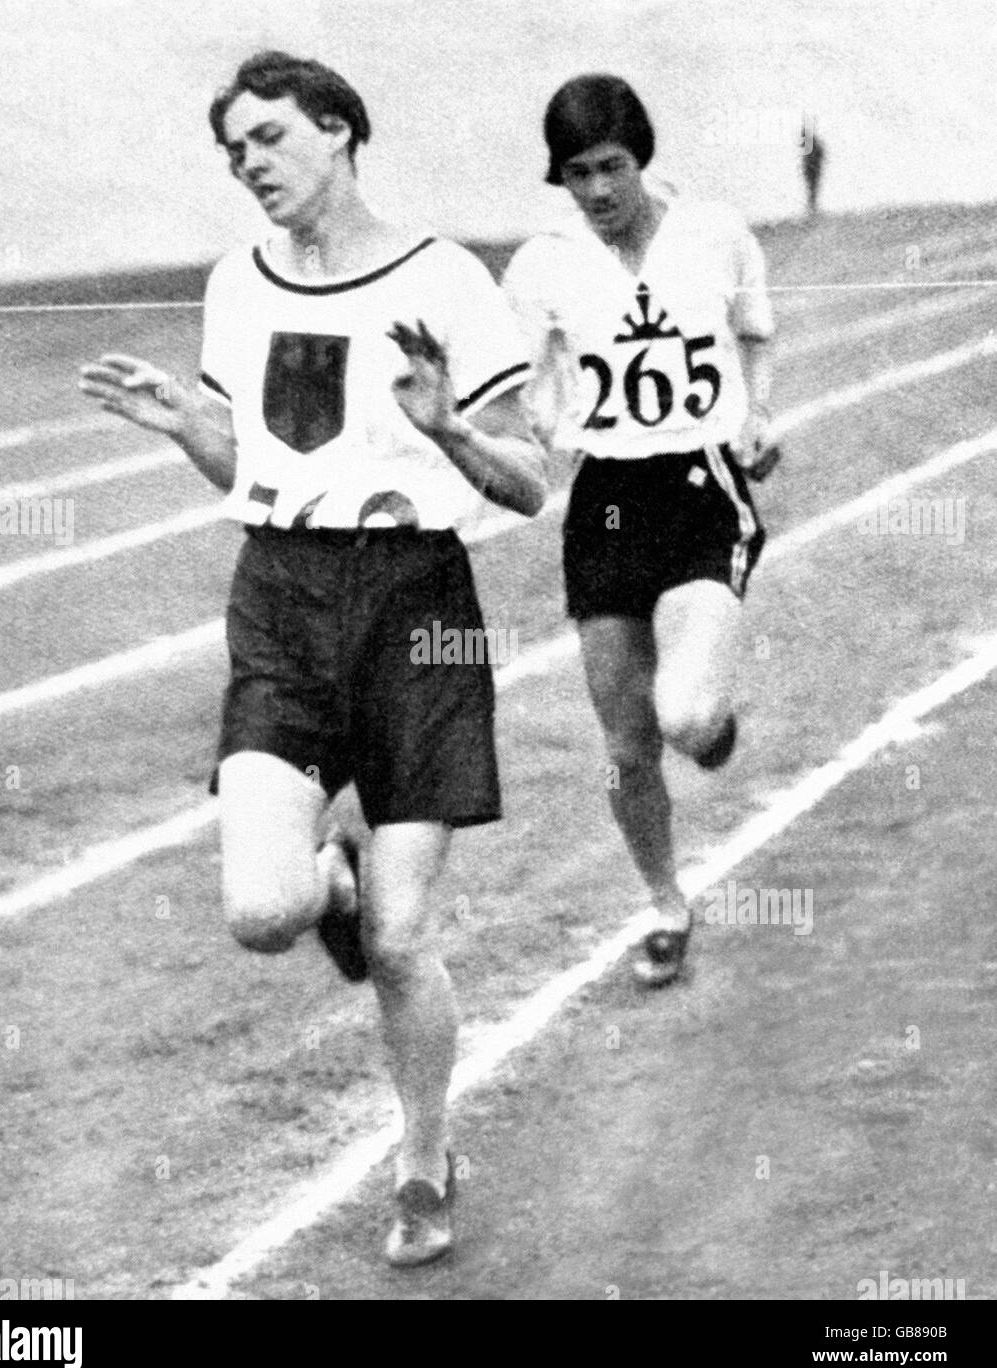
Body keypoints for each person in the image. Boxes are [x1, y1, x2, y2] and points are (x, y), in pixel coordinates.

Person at [79, 51, 546, 1267]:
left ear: (339, 131)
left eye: (271, 138)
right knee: (261, 910)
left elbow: (530, 479)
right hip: (280, 599)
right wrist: (184, 421)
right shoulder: (237, 283)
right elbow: (247, 463)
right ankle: (326, 876)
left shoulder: (445, 277)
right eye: (236, 152)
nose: (253, 167)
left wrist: (446, 425)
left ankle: (423, 1162)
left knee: (400, 944)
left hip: (415, 611)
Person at [502, 74, 778, 987]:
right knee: (625, 750)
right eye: (577, 173)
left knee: (687, 716)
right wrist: (531, 414)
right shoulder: (543, 264)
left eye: (612, 166)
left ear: (642, 157)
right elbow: (519, 383)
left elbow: (753, 329)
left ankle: (712, 728)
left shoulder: (714, 232)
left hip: (701, 486)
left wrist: (760, 414)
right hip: (608, 504)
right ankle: (666, 902)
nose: (598, 191)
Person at [803, 131, 825, 218]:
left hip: (812, 171)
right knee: (812, 190)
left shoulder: (812, 146)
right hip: (813, 171)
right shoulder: (812, 145)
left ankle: (812, 209)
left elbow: (809, 160)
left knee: (812, 190)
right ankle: (812, 208)